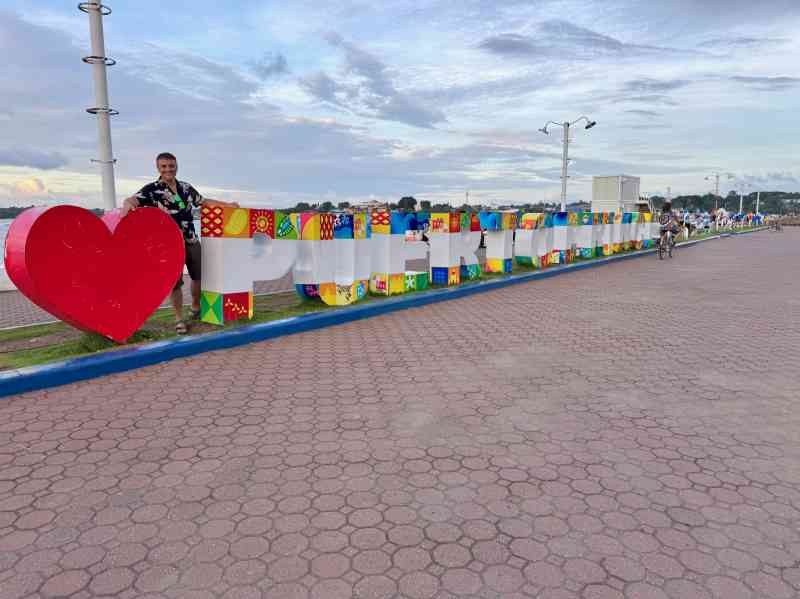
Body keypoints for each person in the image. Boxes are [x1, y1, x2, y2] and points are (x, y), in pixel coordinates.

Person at [121, 152, 239, 334]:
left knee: (199, 276)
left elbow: (204, 202)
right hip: (168, 245)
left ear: (176, 166)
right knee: (174, 284)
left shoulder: (185, 187)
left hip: (191, 239)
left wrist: (227, 205)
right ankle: (179, 319)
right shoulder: (152, 189)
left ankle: (196, 307)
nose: (168, 169)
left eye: (171, 166)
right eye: (164, 166)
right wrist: (126, 204)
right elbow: (133, 200)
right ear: (158, 168)